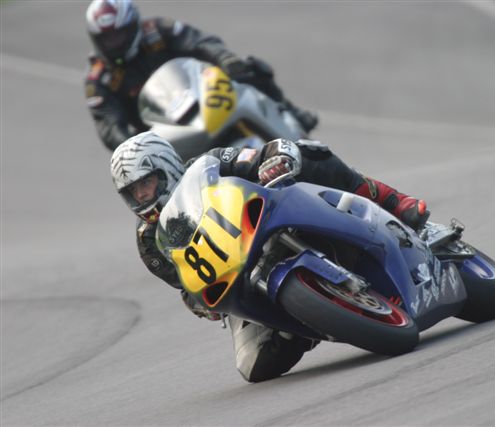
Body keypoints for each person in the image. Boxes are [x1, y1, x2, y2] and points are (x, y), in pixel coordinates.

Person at [110, 131, 428, 382]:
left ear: (166, 166)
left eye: (146, 183)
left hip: (272, 220)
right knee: (254, 367)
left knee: (311, 152)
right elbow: (185, 284)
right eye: (133, 192)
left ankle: (393, 201)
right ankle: (302, 323)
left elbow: (261, 153)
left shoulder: (205, 165)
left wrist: (278, 158)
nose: (142, 195)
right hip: (238, 278)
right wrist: (199, 302)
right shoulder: (149, 243)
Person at [85, 0, 317, 151]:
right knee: (142, 180)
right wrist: (133, 144)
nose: (114, 44)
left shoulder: (159, 30)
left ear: (133, 25)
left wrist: (227, 59)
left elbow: (201, 43)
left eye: (118, 35)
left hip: (200, 99)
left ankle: (291, 115)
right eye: (107, 39)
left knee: (251, 67)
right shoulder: (98, 81)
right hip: (161, 137)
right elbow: (109, 128)